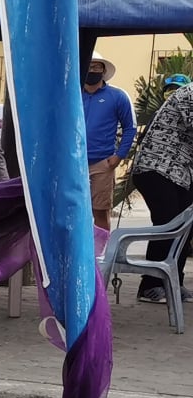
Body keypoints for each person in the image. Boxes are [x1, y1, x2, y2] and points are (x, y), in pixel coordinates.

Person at [132, 73, 193, 304]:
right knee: (167, 224)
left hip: (181, 173)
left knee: (184, 228)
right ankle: (150, 285)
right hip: (156, 169)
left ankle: (173, 282)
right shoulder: (190, 94)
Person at [82, 53, 136, 231]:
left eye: (97, 66)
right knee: (72, 211)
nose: (92, 70)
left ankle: (101, 247)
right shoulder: (72, 94)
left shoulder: (118, 96)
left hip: (102, 163)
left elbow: (130, 128)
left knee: (100, 212)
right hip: (74, 162)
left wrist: (119, 156)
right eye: (89, 66)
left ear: (103, 71)